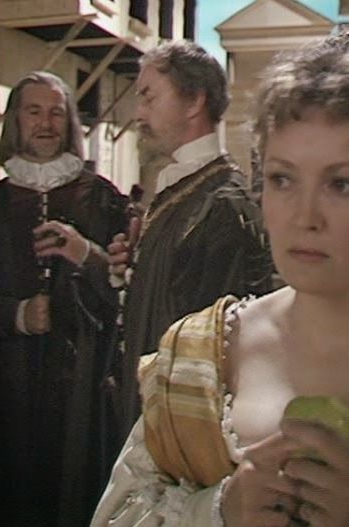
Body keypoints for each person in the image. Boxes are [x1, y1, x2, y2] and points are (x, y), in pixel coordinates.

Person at [91, 26, 349, 526]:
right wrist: (219, 510)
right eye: (282, 179)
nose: (304, 216)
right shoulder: (193, 353)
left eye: (342, 184)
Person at [0, 71, 129, 526]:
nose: (46, 123)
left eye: (56, 113)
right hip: (5, 394)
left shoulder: (105, 200)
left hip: (85, 393)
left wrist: (89, 258)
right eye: (34, 111)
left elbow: (130, 291)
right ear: (15, 120)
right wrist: (17, 315)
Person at [108, 40, 272, 438]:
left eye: (149, 97)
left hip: (184, 432)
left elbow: (211, 354)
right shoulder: (186, 189)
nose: (139, 113)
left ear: (194, 101)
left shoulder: (221, 203)